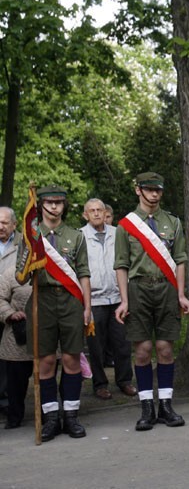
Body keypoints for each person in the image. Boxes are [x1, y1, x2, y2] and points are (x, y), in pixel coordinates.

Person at [114, 172, 189, 431]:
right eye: (149, 190)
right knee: (142, 350)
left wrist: (181, 294)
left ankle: (166, 405)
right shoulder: (126, 225)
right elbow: (121, 265)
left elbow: (180, 259)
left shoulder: (173, 222)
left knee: (165, 349)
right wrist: (124, 300)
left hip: (166, 289)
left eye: (158, 190)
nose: (154, 195)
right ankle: (146, 407)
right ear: (138, 190)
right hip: (138, 290)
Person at [19, 186, 92, 440]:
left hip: (71, 300)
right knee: (45, 361)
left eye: (58, 203)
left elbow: (83, 273)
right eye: (49, 203)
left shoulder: (76, 236)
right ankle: (51, 418)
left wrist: (87, 308)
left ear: (64, 206)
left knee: (72, 359)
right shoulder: (30, 235)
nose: (54, 207)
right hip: (42, 300)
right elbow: (21, 276)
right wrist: (29, 258)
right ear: (41, 206)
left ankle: (71, 416)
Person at [81, 198, 137, 400]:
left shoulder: (118, 234)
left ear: (105, 213)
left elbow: (128, 261)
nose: (96, 214)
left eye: (100, 210)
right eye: (92, 211)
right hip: (94, 299)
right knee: (96, 347)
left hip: (117, 298)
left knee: (122, 343)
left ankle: (124, 381)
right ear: (85, 215)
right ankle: (100, 384)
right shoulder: (80, 237)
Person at [0, 206, 25, 427]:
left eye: (4, 222)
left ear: (14, 224)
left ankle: (9, 405)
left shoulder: (23, 246)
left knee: (9, 364)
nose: (0, 226)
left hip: (12, 311)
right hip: (2, 304)